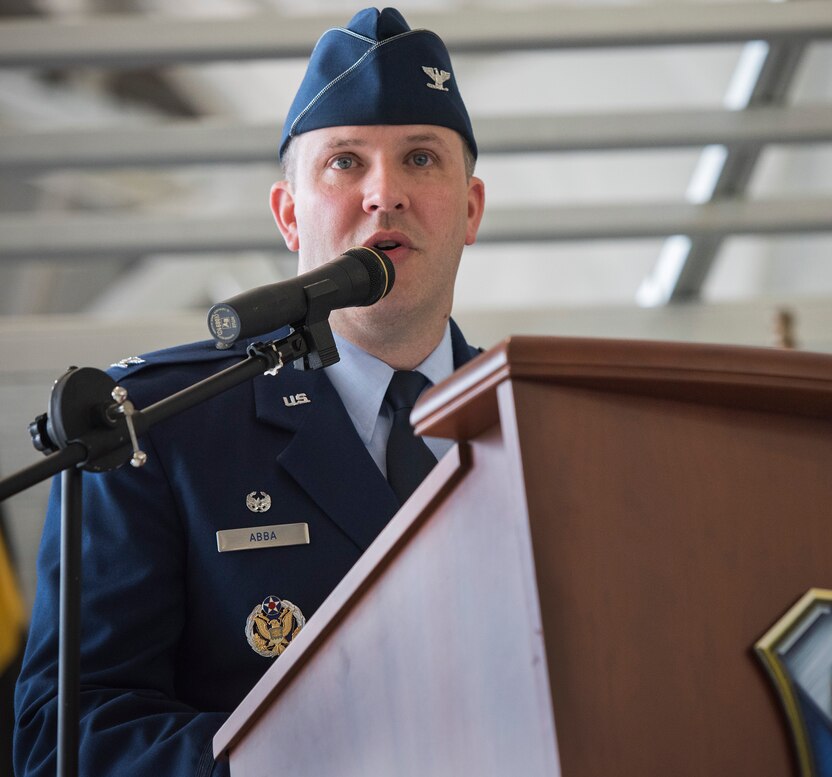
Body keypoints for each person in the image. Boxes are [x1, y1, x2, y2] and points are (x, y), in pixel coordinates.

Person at [13, 8, 485, 776]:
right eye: (344, 162)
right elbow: (67, 737)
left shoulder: (545, 422)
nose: (384, 193)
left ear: (470, 210)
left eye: (422, 158)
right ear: (289, 214)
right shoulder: (153, 427)